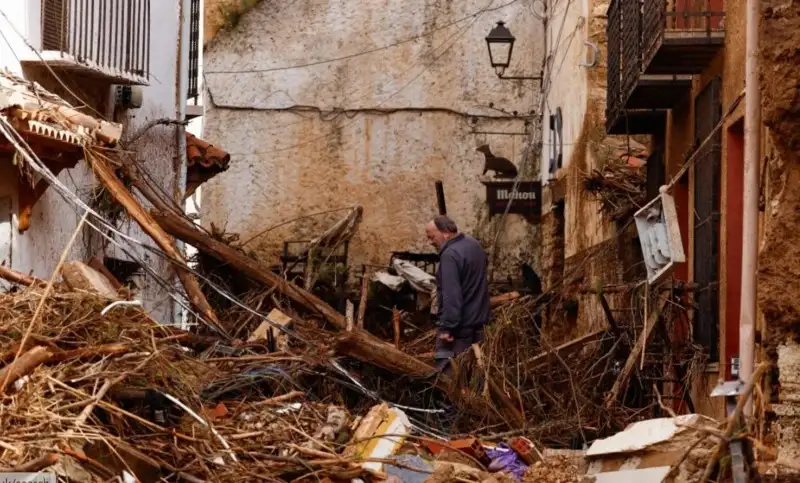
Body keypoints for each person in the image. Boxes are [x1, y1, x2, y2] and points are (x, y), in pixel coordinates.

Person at [425, 215, 490, 373]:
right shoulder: (474, 245)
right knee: (474, 375)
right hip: (479, 326)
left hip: (459, 330)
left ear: (445, 233)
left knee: (448, 379)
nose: (430, 242)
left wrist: (447, 328)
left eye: (431, 237)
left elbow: (451, 295)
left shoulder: (450, 255)